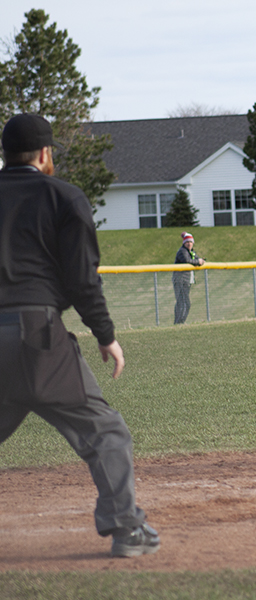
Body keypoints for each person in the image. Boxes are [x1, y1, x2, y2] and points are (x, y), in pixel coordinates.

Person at [0, 114, 160, 557]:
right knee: (106, 433)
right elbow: (82, 279)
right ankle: (127, 529)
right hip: (38, 338)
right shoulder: (62, 196)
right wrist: (105, 335)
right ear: (46, 154)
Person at [172, 231, 205, 324]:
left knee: (183, 302)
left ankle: (179, 322)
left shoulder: (191, 252)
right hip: (180, 279)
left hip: (186, 280)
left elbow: (196, 259)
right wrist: (198, 262)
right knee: (184, 302)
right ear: (184, 243)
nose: (189, 244)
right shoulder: (182, 251)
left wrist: (200, 261)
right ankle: (179, 322)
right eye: (187, 242)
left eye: (190, 242)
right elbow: (186, 260)